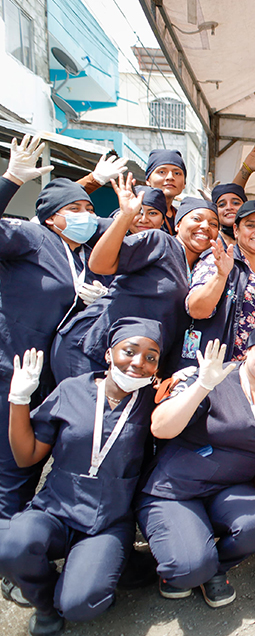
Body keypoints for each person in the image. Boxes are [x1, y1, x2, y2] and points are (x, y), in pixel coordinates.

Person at [0, 318, 163, 636]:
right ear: (108, 354)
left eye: (151, 357)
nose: (138, 363)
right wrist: (18, 400)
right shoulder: (71, 390)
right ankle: (45, 603)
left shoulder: (152, 403)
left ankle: (96, 575)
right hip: (54, 510)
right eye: (129, 351)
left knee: (80, 603)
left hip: (107, 522)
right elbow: (26, 456)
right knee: (11, 545)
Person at [137, 321, 255, 606]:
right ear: (248, 349)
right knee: (189, 568)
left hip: (228, 491)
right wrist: (202, 386)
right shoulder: (214, 376)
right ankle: (188, 565)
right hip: (175, 489)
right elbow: (161, 427)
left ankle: (215, 568)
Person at [0, 137, 113, 531]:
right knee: (8, 465)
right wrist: (11, 179)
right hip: (10, 368)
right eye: (74, 210)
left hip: (49, 379)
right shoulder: (31, 239)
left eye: (89, 209)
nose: (86, 216)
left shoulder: (87, 255)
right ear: (50, 218)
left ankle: (18, 538)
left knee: (29, 463)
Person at [52, 176, 220, 382]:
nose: (205, 226)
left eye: (214, 224)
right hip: (93, 347)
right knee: (85, 402)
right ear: (177, 224)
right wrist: (125, 216)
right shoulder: (159, 242)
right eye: (196, 219)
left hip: (136, 363)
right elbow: (99, 264)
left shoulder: (204, 269)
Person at [186, 200, 255, 363]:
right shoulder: (218, 260)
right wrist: (221, 275)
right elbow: (197, 310)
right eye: (250, 225)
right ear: (236, 230)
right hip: (217, 368)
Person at [144, 149, 187, 235]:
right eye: (162, 172)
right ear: (148, 179)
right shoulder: (135, 213)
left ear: (184, 184)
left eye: (177, 173)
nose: (170, 177)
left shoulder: (183, 218)